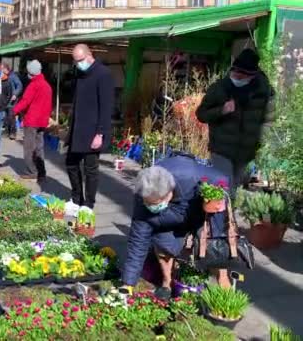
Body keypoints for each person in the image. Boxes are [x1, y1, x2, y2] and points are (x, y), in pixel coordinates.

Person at [122, 153, 231, 299]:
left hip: (198, 210)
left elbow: (221, 179)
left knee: (217, 245)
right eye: (147, 203)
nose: (150, 206)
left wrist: (218, 199)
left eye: (155, 203)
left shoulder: (189, 175)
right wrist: (128, 284)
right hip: (167, 219)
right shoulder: (143, 193)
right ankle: (167, 283)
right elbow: (138, 240)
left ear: (168, 194)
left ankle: (223, 282)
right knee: (162, 242)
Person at [196, 49, 273, 196]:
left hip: (245, 152)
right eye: (235, 72)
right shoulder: (219, 88)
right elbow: (201, 114)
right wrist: (222, 110)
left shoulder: (263, 92)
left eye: (242, 74)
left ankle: (228, 217)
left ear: (252, 75)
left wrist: (262, 140)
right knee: (222, 188)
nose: (237, 76)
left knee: (233, 190)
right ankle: (219, 217)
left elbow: (268, 118)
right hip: (221, 149)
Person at [65, 44, 114, 210]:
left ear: (89, 55)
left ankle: (89, 203)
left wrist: (100, 133)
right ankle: (76, 197)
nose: (78, 64)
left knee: (90, 169)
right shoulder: (80, 73)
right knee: (71, 163)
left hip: (93, 130)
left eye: (80, 60)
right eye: (75, 61)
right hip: (77, 128)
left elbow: (106, 107)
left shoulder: (103, 74)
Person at [13, 60, 52, 182]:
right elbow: (49, 105)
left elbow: (25, 101)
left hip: (32, 121)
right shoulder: (46, 86)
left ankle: (32, 171)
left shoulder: (33, 85)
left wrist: (13, 111)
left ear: (31, 72)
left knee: (29, 148)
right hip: (42, 122)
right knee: (39, 148)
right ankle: (42, 172)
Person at [3, 63, 23, 140]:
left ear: (6, 69)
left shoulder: (13, 76)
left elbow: (19, 86)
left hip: (12, 100)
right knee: (6, 116)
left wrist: (15, 94)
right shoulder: (4, 77)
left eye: (2, 69)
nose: (2, 71)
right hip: (5, 99)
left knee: (11, 116)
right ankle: (7, 132)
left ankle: (13, 133)